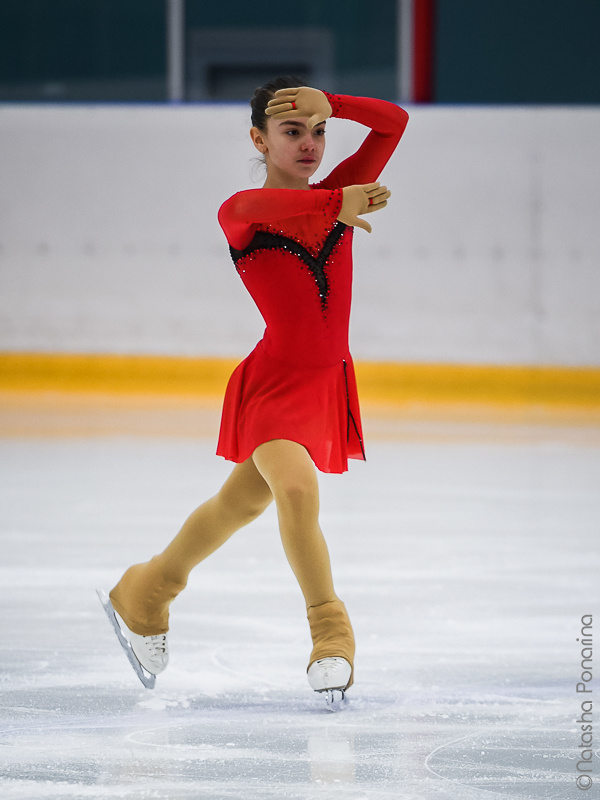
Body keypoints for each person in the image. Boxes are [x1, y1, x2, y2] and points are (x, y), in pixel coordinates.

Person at [103, 77, 409, 705]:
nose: (310, 144)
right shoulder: (242, 211)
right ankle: (330, 631)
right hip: (272, 384)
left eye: (319, 132)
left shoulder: (334, 193)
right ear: (259, 139)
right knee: (296, 488)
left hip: (325, 383)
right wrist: (338, 204)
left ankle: (148, 589)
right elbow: (254, 212)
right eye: (292, 131)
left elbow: (395, 122)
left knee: (237, 505)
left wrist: (336, 104)